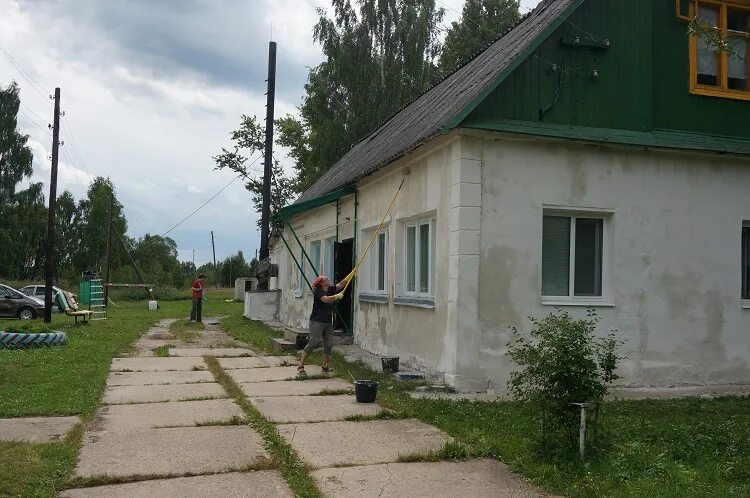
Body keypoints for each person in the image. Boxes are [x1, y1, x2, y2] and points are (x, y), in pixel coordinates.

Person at [298, 274, 349, 376]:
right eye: (326, 279)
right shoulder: (318, 291)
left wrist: (350, 275)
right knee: (313, 342)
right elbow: (325, 299)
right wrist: (336, 296)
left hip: (327, 321)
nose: (328, 280)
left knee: (329, 344)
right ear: (321, 283)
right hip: (317, 321)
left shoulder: (330, 288)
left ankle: (325, 367)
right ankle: (301, 365)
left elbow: (340, 285)